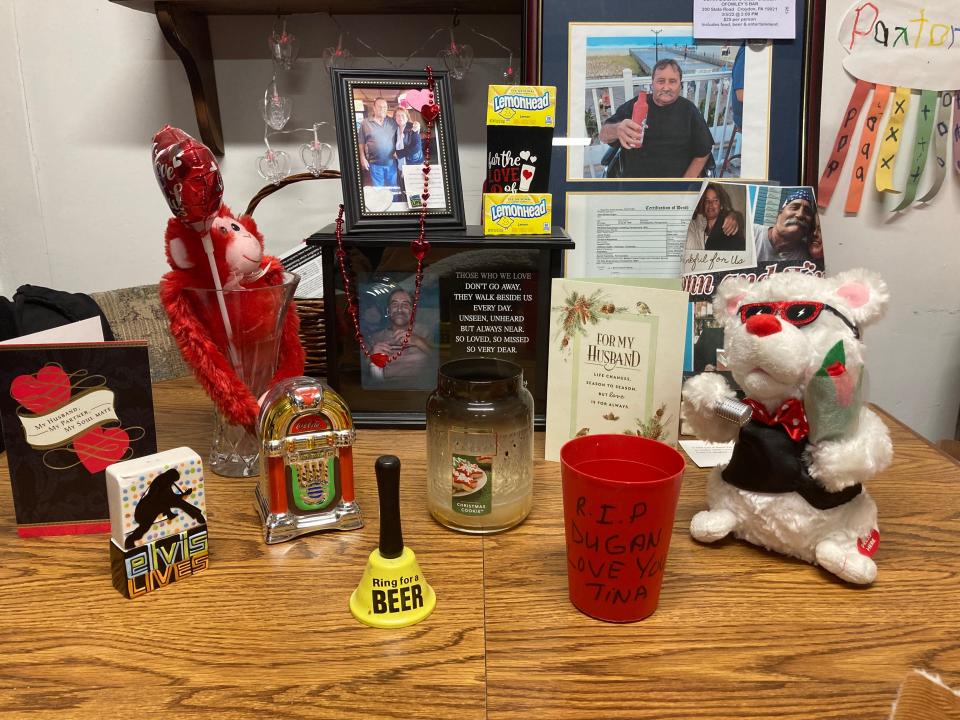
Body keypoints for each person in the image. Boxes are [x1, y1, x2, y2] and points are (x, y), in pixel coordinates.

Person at [599, 58, 714, 178]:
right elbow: (603, 135)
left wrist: (684, 184)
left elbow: (704, 151)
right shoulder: (636, 105)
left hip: (674, 185)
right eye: (661, 81)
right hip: (634, 184)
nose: (666, 87)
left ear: (680, 84)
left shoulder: (689, 111)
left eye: (672, 81)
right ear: (652, 83)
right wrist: (617, 129)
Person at [367, 288, 435, 389]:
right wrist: (372, 355)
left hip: (421, 391)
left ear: (413, 311)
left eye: (405, 304)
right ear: (388, 310)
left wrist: (416, 340)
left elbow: (441, 359)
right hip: (388, 392)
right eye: (394, 304)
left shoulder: (426, 331)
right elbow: (363, 372)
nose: (399, 309)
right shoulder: (376, 337)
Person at [754, 188, 816, 263]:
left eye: (807, 211)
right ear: (779, 214)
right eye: (794, 207)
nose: (800, 215)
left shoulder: (807, 256)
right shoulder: (751, 233)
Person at [685, 184, 745, 252]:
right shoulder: (699, 225)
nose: (710, 204)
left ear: (721, 205)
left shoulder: (729, 227)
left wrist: (734, 215)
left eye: (715, 200)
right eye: (707, 200)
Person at [359, 98, 399, 187]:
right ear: (374, 108)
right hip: (375, 164)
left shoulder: (392, 122)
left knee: (393, 190)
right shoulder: (365, 123)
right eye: (380, 107)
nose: (382, 109)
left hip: (391, 163)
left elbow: (404, 124)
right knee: (378, 192)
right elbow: (361, 142)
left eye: (385, 107)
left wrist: (415, 126)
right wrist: (362, 158)